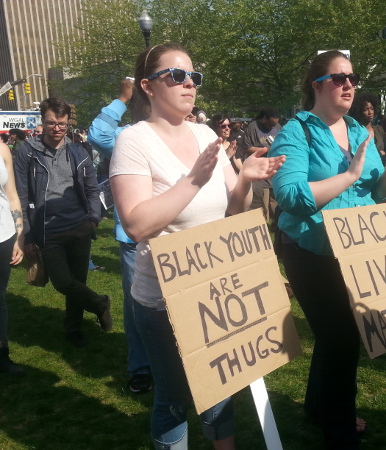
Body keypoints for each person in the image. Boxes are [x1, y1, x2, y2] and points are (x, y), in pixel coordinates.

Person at [110, 43, 284, 449]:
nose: (189, 83)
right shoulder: (133, 141)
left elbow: (233, 211)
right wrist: (192, 180)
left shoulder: (205, 134)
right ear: (148, 86)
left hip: (215, 288)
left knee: (220, 386)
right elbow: (136, 224)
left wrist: (245, 180)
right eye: (176, 75)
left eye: (193, 76)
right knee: (174, 399)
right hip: (163, 300)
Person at [269, 50, 386, 449]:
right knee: (342, 338)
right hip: (311, 249)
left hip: (359, 247)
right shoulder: (296, 132)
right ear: (316, 85)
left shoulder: (361, 131)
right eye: (338, 78)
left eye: (352, 78)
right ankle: (339, 434)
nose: (348, 85)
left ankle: (317, 406)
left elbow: (375, 191)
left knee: (335, 337)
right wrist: (348, 176)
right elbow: (290, 195)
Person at [14, 97, 111, 348]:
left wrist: (93, 218)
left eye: (62, 124)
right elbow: (22, 195)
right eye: (51, 123)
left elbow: (91, 188)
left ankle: (74, 329)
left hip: (80, 225)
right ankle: (100, 304)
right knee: (62, 282)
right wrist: (27, 235)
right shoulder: (27, 151)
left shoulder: (78, 151)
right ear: (42, 122)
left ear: (68, 123)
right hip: (48, 229)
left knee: (78, 280)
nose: (56, 128)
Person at [88, 77, 153, 394]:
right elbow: (97, 133)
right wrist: (122, 98)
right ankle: (141, 367)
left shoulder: (181, 135)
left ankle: (178, 362)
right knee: (138, 305)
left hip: (176, 235)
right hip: (135, 242)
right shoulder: (127, 137)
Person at [0, 141, 25, 377]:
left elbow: (12, 195)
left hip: (3, 234)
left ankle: (2, 355)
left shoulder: (2, 149)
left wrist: (19, 235)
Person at [242, 107, 282, 221]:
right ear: (264, 118)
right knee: (261, 202)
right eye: (270, 124)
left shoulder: (278, 127)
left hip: (275, 170)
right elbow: (247, 148)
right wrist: (267, 149)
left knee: (276, 201)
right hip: (259, 171)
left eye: (275, 124)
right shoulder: (252, 127)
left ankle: (277, 225)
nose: (273, 127)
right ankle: (263, 223)